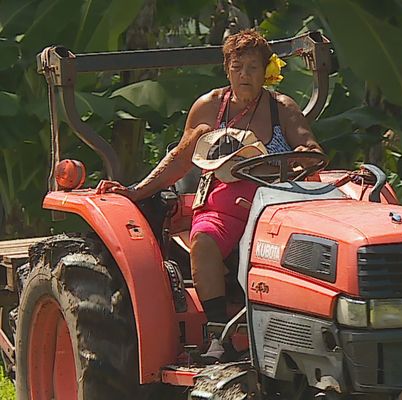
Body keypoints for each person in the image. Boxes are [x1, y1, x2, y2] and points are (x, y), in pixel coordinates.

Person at [97, 30, 323, 341]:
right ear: (227, 68)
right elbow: (180, 159)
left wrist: (300, 156)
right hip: (222, 209)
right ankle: (219, 332)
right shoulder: (209, 107)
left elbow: (311, 151)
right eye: (237, 66)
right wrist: (135, 191)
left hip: (274, 211)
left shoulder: (281, 108)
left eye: (253, 67)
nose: (244, 74)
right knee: (202, 240)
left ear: (265, 71)